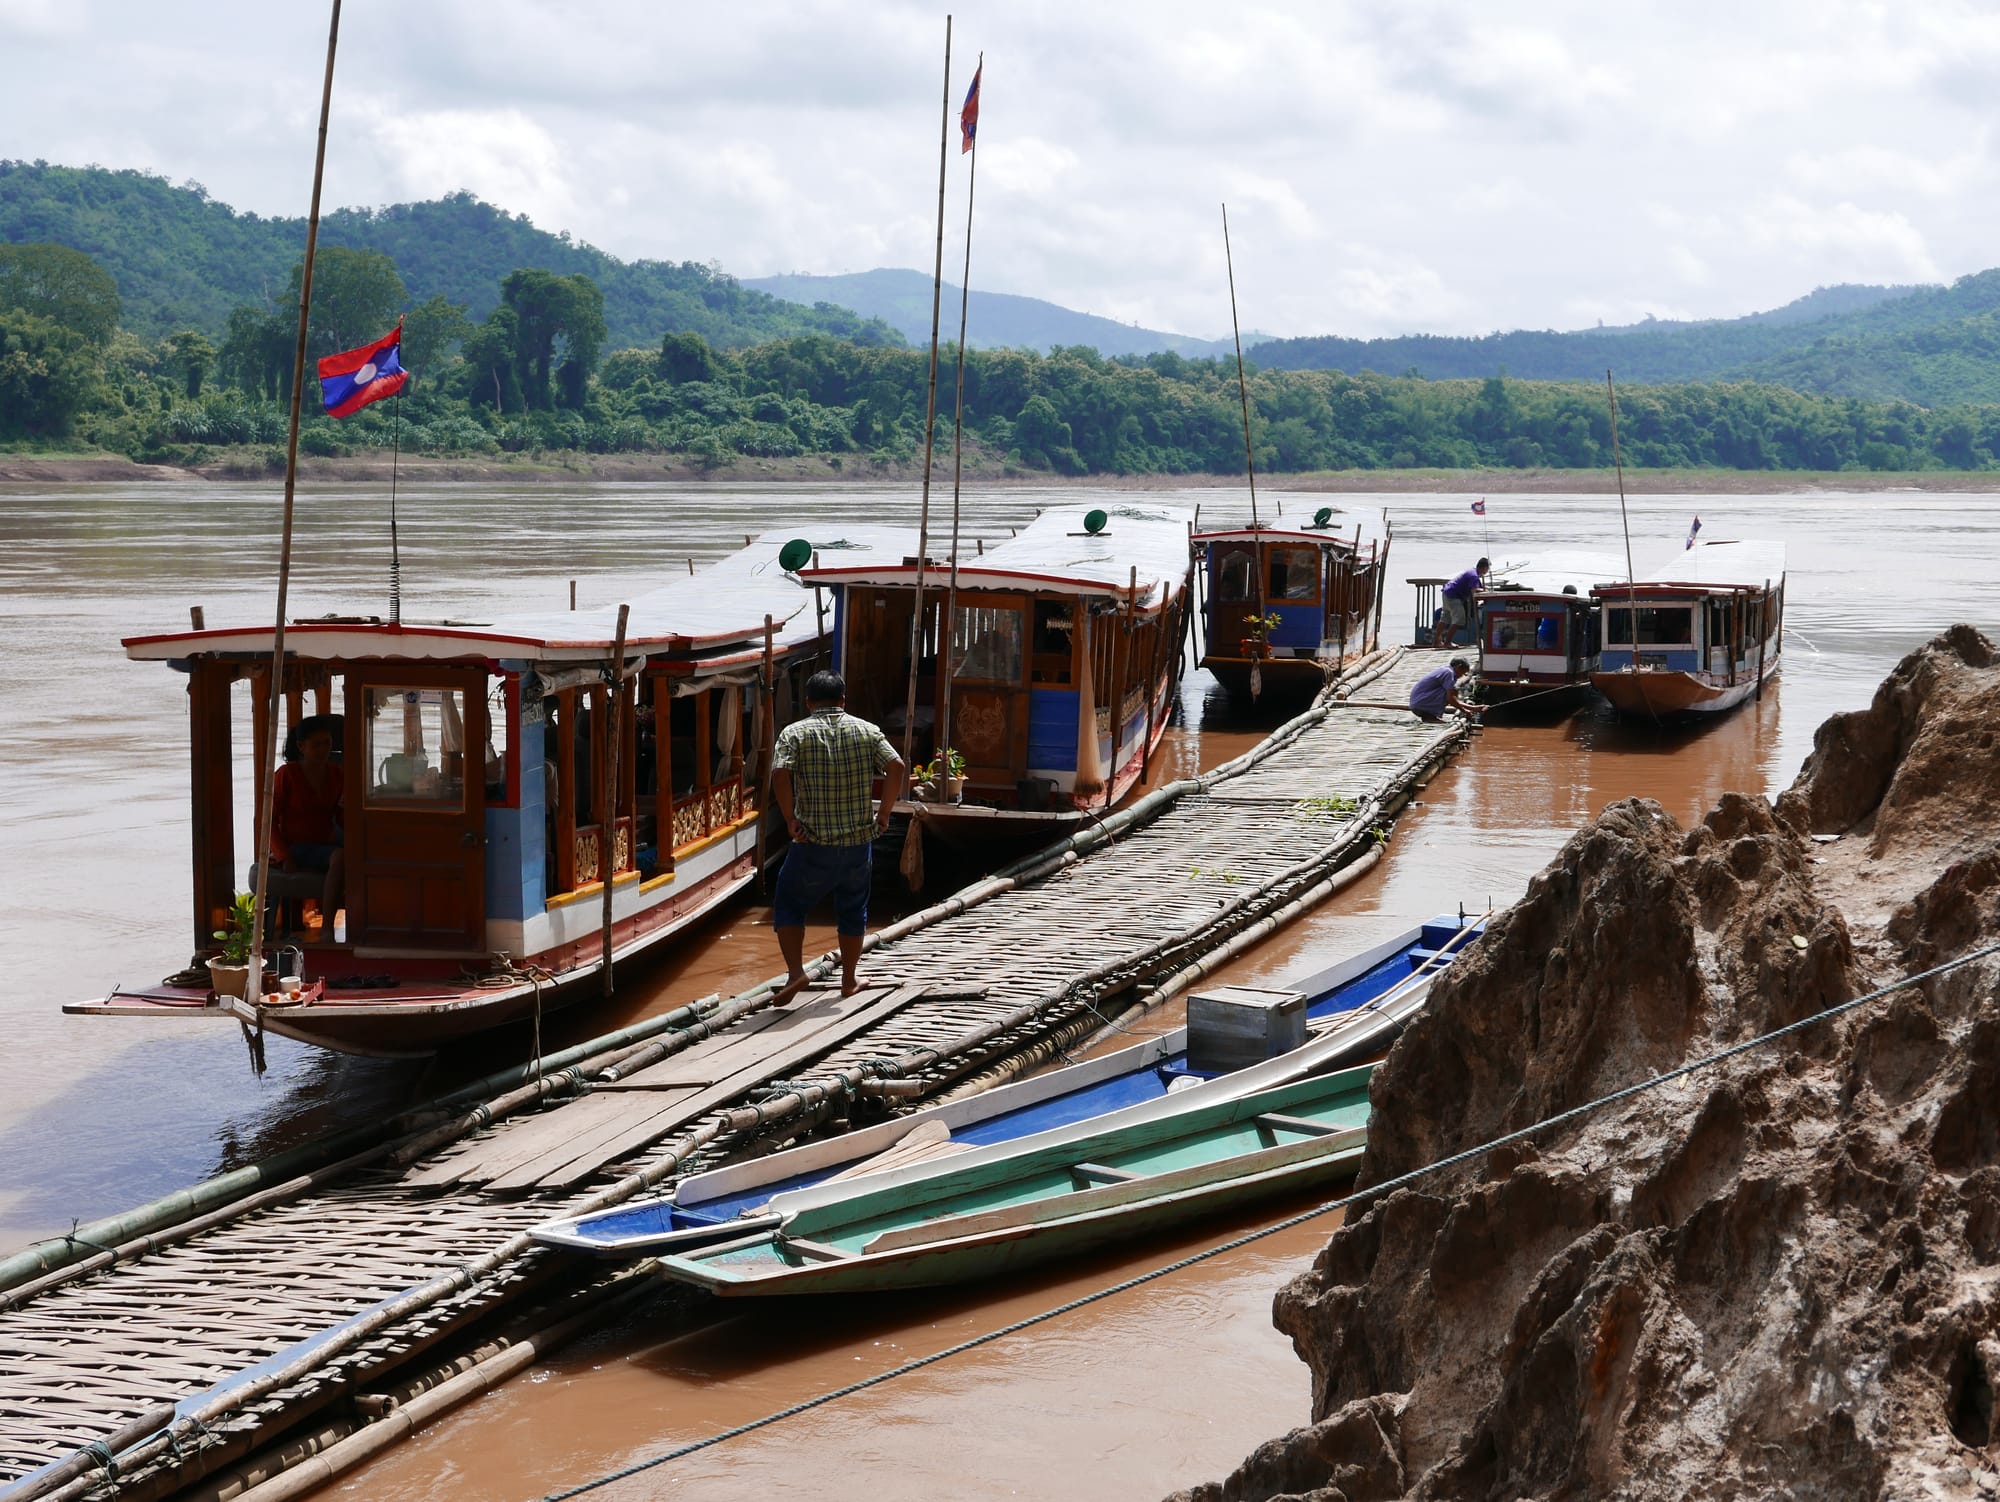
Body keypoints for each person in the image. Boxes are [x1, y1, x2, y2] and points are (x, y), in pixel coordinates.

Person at [771, 671, 906, 996]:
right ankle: (848, 980)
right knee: (853, 908)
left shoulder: (794, 733)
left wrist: (790, 818)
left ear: (808, 702)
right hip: (858, 842)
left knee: (789, 903)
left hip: (811, 842)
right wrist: (884, 812)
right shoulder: (867, 731)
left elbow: (780, 772)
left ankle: (795, 974)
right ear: (843, 700)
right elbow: (897, 766)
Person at [270, 714, 345, 925]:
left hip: (323, 847)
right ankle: (327, 929)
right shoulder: (286, 775)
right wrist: (284, 856)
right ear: (302, 746)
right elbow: (267, 821)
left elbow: (341, 817)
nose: (324, 749)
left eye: (327, 743)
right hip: (293, 847)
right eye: (317, 745)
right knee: (340, 857)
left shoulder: (337, 775)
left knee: (348, 856)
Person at [1433, 556, 1490, 647]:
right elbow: (1474, 591)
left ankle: (1436, 641)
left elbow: (1478, 586)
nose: (1487, 571)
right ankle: (1447, 642)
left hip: (1447, 592)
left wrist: (1483, 588)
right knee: (1459, 619)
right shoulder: (1474, 575)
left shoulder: (1473, 572)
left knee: (1445, 618)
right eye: (1487, 569)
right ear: (1484, 567)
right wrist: (1486, 591)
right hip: (1453, 596)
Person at [1410, 656, 1480, 723]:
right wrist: (1465, 711)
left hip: (1418, 704)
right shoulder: (1449, 673)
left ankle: (1430, 718)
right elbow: (1451, 699)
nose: (1462, 676)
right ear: (1459, 667)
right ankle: (1431, 718)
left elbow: (1454, 700)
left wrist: (1473, 708)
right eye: (1463, 672)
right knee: (1450, 692)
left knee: (1452, 692)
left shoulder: (1446, 670)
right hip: (1422, 704)